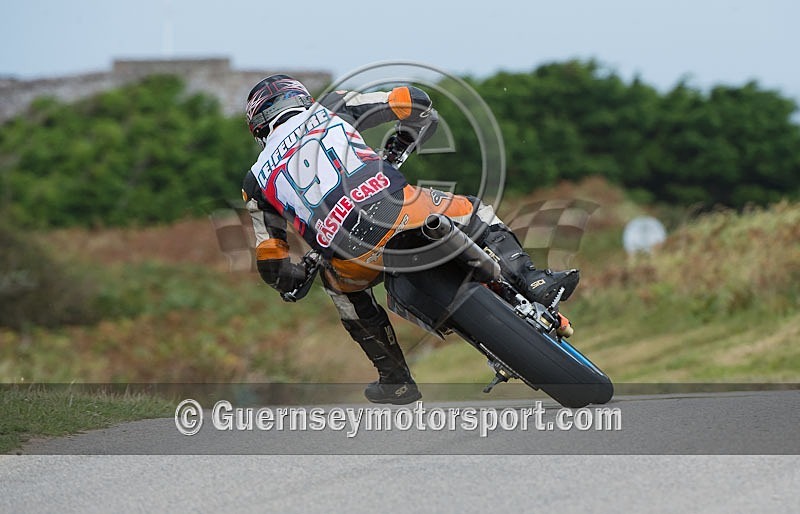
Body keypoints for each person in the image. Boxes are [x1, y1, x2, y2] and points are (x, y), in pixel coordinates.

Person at [241, 74, 580, 405]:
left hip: (348, 254)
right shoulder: (332, 105)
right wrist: (401, 143)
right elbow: (412, 100)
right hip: (398, 210)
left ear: (258, 126)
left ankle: (395, 379)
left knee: (342, 295)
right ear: (300, 98)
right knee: (476, 211)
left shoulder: (255, 180)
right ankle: (531, 278)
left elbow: (271, 259)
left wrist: (294, 279)